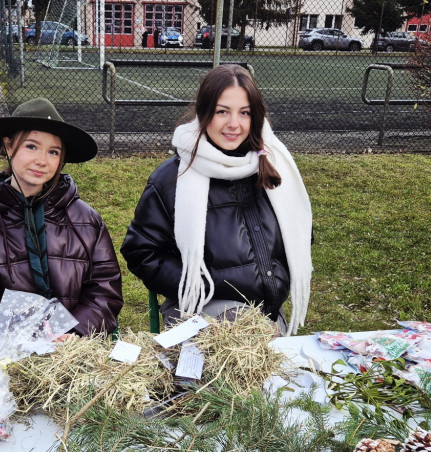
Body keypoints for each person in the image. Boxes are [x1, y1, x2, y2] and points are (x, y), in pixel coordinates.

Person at [121, 64, 313, 336]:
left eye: (244, 112)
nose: (234, 124)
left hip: (267, 317)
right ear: (204, 112)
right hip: (201, 315)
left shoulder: (274, 167)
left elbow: (301, 234)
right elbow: (141, 252)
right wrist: (199, 285)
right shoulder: (173, 178)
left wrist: (275, 276)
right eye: (222, 111)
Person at [0, 98, 123, 336]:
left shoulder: (87, 221)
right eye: (31, 146)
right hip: (3, 352)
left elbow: (105, 292)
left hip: (72, 348)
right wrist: (20, 340)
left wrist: (72, 333)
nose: (42, 160)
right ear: (9, 146)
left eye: (53, 152)